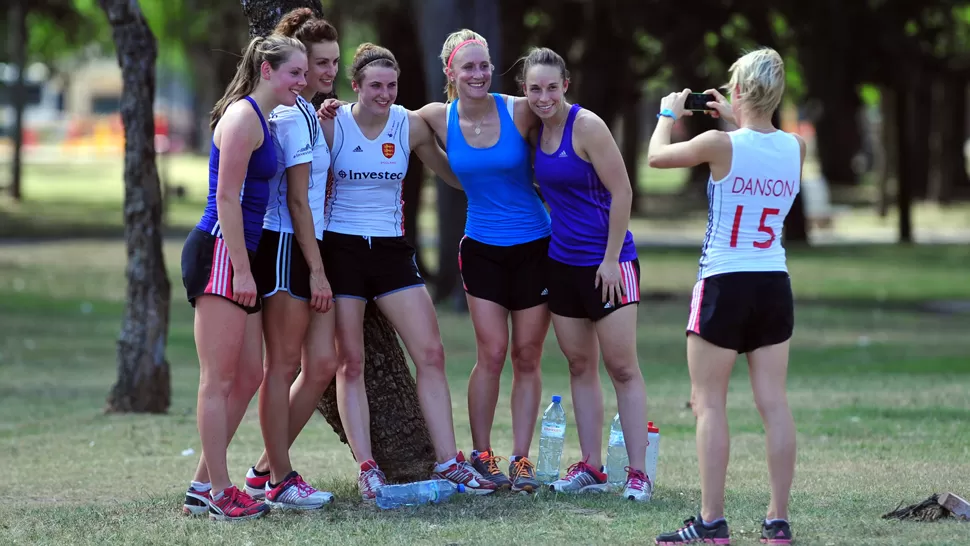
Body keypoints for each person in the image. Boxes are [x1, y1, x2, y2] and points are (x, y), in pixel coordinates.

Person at [319, 42, 497, 498]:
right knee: (351, 362)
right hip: (341, 251)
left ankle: (448, 462)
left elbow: (452, 174)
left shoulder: (409, 124)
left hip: (391, 251)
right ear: (355, 86)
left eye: (391, 86)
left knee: (431, 353)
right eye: (374, 86)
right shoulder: (333, 123)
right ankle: (367, 467)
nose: (384, 94)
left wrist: (495, 171)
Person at [649, 48, 803, 545]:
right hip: (773, 283)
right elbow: (761, 140)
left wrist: (668, 113)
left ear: (738, 90)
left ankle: (712, 521)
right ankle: (777, 520)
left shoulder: (717, 143)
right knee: (773, 404)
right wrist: (741, 115)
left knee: (708, 402)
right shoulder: (796, 148)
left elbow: (655, 155)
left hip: (724, 282)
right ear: (775, 94)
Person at [415, 30, 550, 493]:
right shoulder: (435, 117)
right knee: (491, 353)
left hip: (536, 244)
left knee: (527, 355)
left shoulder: (520, 109)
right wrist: (333, 110)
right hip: (481, 249)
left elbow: (568, 124)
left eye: (485, 65)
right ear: (450, 72)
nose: (478, 74)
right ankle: (482, 453)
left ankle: (522, 458)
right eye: (468, 66)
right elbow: (379, 122)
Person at [179, 33, 307, 521]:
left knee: (252, 373)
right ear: (267, 70)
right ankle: (219, 489)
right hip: (220, 252)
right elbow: (227, 198)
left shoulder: (267, 120)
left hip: (240, 256)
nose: (302, 80)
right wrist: (240, 268)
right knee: (218, 379)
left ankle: (200, 486)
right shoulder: (242, 117)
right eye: (294, 72)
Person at [519, 47, 652, 501]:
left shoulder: (587, 126)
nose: (543, 96)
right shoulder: (534, 129)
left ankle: (638, 473)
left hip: (609, 265)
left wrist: (612, 259)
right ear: (525, 90)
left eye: (551, 87)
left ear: (565, 86)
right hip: (562, 264)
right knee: (579, 365)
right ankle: (591, 466)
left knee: (622, 368)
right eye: (534, 88)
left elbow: (623, 191)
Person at [231, 8, 340, 510]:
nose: (325, 73)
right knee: (283, 365)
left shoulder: (307, 115)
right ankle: (279, 477)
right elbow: (296, 200)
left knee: (320, 365)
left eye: (331, 63)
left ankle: (262, 471)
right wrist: (316, 269)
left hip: (310, 244)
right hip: (286, 246)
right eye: (315, 64)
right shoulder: (287, 115)